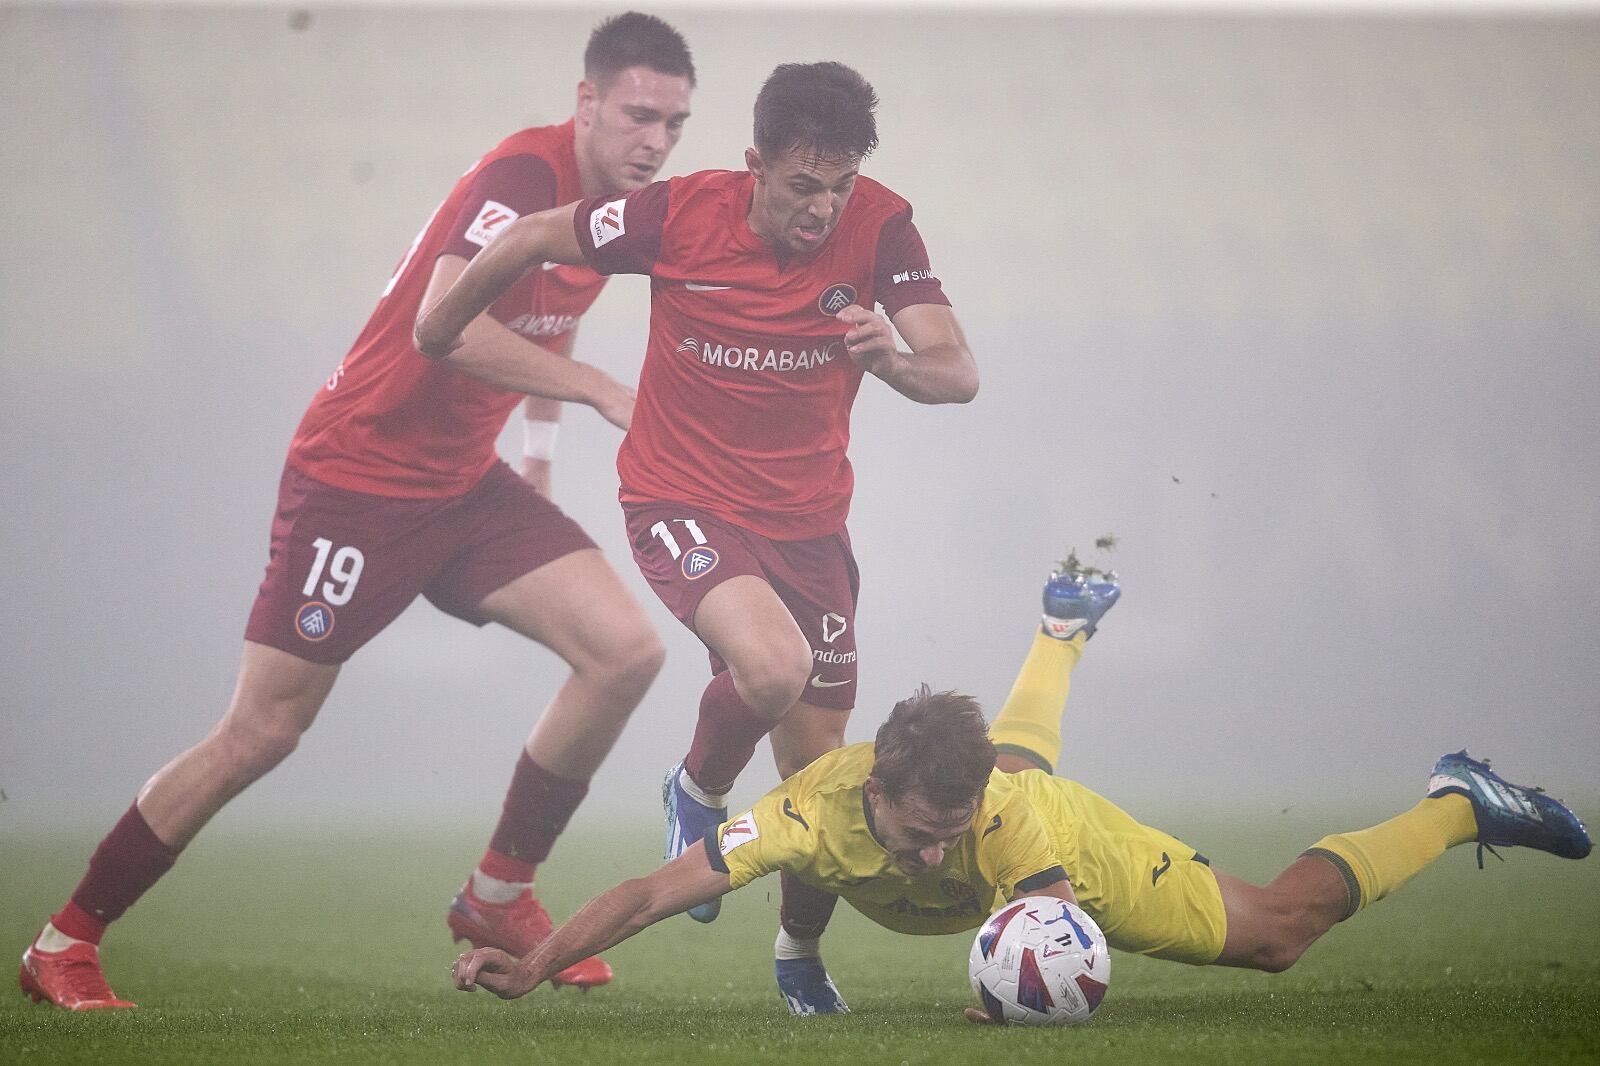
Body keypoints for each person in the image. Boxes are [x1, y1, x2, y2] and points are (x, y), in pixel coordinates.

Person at [18, 12, 696, 1011]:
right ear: (587, 101)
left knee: (626, 652)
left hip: (465, 485)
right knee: (263, 730)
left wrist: (540, 459)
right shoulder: (523, 179)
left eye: (676, 123)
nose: (657, 140)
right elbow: (443, 330)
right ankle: (63, 941)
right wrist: (597, 387)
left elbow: (547, 324)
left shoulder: (611, 216)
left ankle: (498, 893)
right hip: (360, 477)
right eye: (640, 114)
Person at [414, 61, 979, 1009]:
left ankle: (798, 952)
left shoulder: (882, 226)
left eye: (839, 185)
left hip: (809, 528)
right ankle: (698, 788)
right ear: (755, 164)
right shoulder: (675, 215)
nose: (823, 208)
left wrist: (893, 362)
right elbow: (528, 238)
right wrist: (439, 327)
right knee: (769, 668)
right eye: (803, 185)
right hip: (681, 499)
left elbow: (956, 372)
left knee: (820, 778)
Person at [448, 569, 1592, 1016]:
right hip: (983, 793)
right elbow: (653, 892)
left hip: (1078, 854)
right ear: (877, 788)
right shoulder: (812, 804)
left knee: (1281, 934)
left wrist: (999, 1002)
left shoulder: (997, 821)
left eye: (952, 836)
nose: (938, 856)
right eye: (920, 832)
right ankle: (1058, 631)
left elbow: (1056, 937)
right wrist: (535, 965)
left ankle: (1457, 799)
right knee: (851, 842)